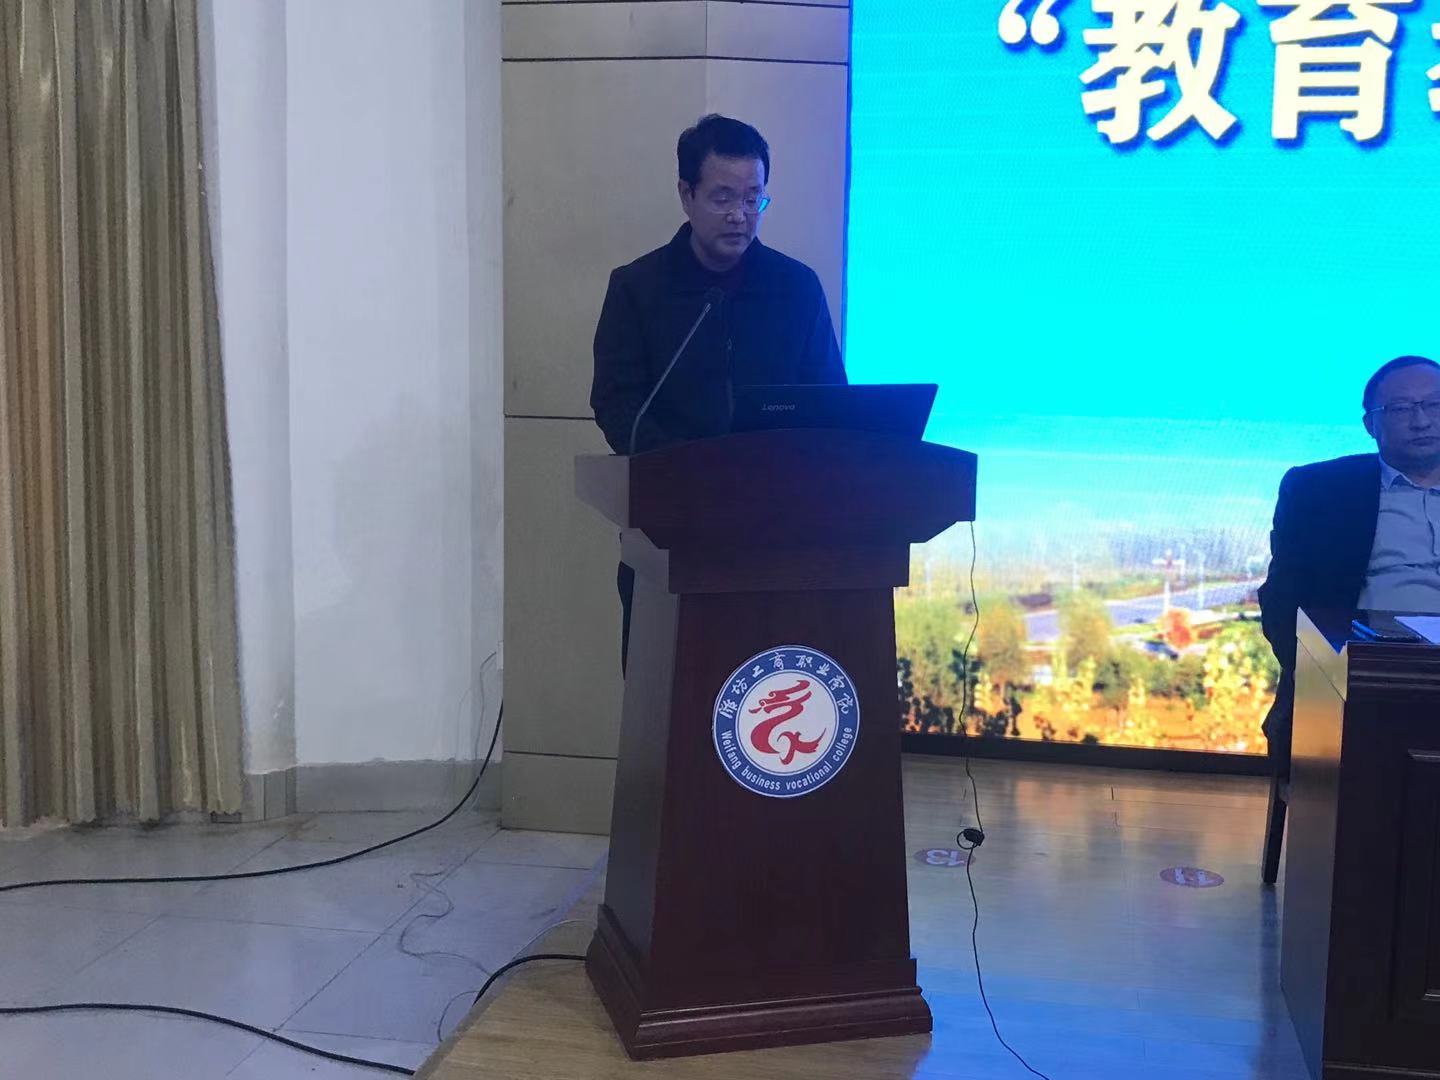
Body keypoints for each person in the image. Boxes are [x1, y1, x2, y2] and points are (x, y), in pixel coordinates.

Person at [590, 115, 846, 671]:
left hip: (779, 539)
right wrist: (692, 469)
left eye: (754, 198)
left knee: (769, 697)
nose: (740, 215)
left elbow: (829, 400)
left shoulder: (796, 288)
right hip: (669, 536)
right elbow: (616, 404)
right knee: (668, 695)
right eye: (723, 197)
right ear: (687, 194)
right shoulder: (637, 289)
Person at [1259, 355, 1440, 772]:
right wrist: (1320, 675)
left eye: (1434, 405)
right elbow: (1282, 598)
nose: (1422, 421)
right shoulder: (1320, 490)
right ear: (1370, 424)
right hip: (1365, 679)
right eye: (1401, 408)